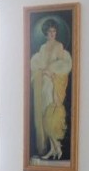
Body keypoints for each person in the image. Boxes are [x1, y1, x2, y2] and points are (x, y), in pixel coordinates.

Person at [29, 18, 72, 160]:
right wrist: (43, 71)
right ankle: (54, 149)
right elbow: (40, 65)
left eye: (54, 31)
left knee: (50, 116)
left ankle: (57, 148)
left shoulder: (59, 46)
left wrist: (50, 72)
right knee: (44, 116)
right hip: (43, 83)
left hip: (53, 83)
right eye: (49, 32)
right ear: (46, 33)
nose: (52, 34)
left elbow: (61, 66)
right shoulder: (42, 47)